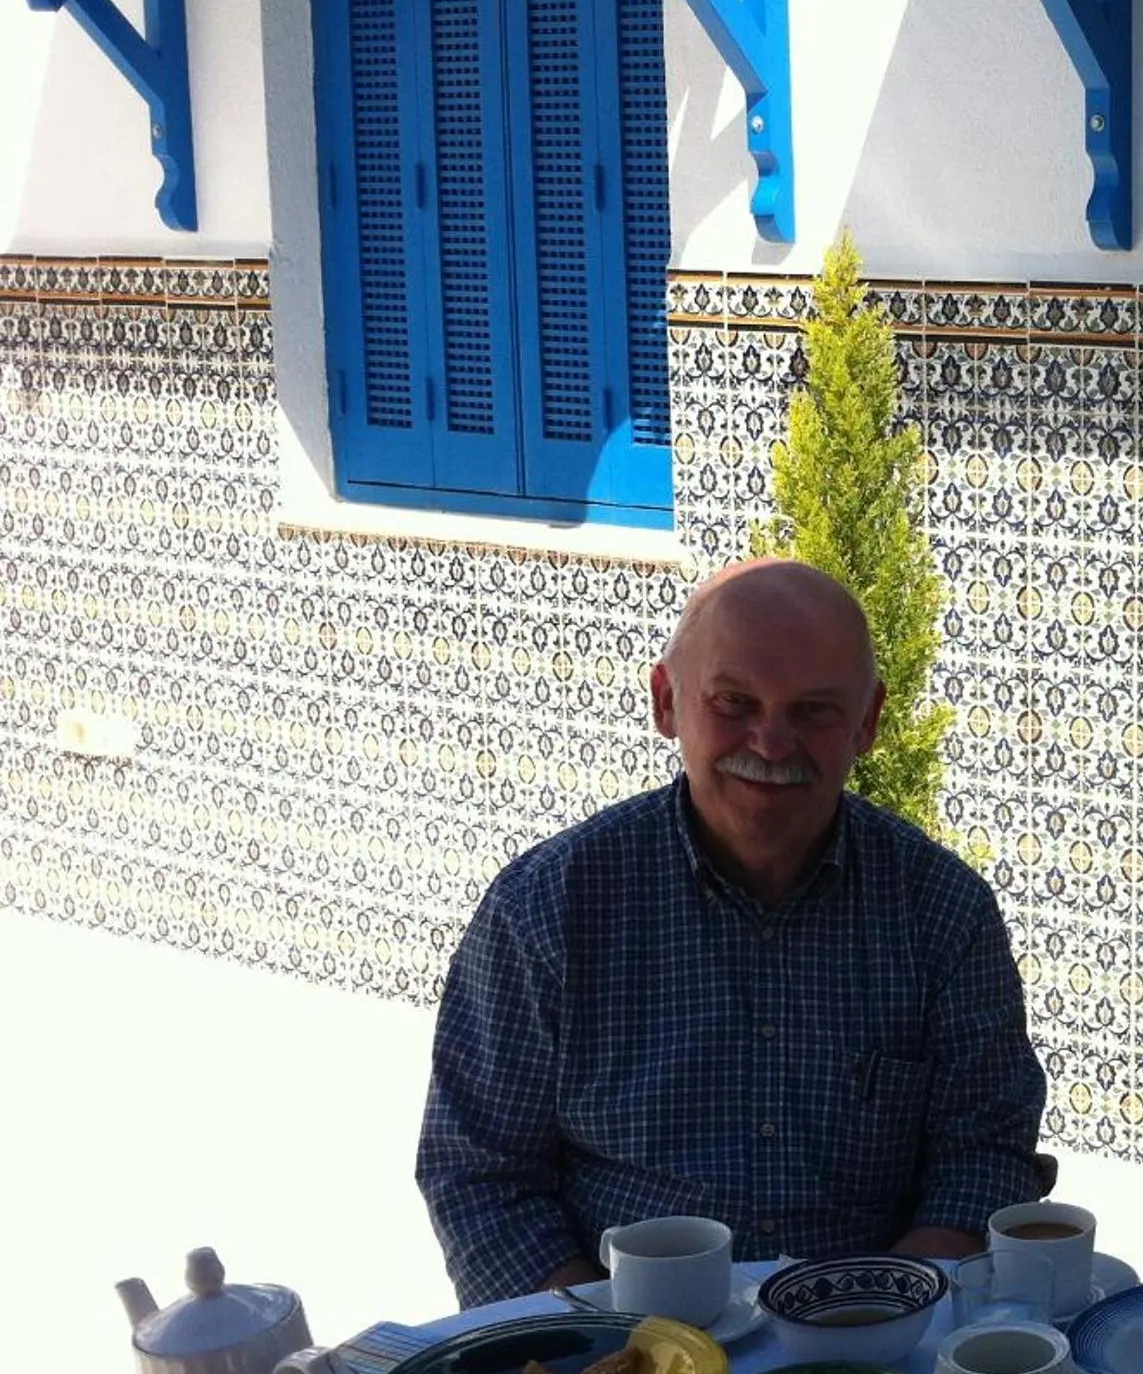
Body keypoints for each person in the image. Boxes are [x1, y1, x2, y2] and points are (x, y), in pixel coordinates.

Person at [418, 558, 1047, 1309]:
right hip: (623, 1356)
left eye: (813, 710)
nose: (772, 742)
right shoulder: (547, 910)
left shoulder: (942, 911)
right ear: (666, 701)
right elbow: (479, 1176)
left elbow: (985, 1154)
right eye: (734, 700)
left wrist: (880, 1316)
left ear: (869, 722)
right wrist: (621, 1355)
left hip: (873, 1341)